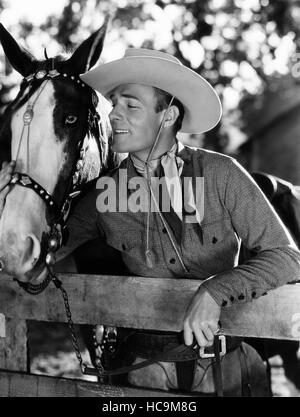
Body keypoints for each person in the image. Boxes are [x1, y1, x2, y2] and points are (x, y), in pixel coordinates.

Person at [1, 48, 300, 396]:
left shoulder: (222, 175)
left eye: (131, 106)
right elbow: (39, 261)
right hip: (143, 374)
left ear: (168, 115)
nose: (114, 115)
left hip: (227, 369)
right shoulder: (104, 194)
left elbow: (288, 257)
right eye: (114, 105)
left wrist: (214, 291)